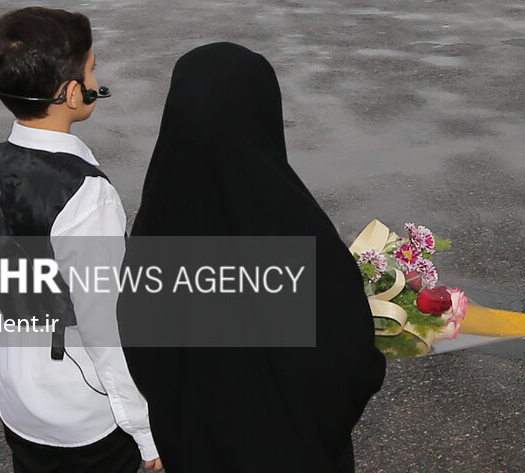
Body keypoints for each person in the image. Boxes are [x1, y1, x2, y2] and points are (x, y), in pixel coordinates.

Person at [118, 43, 386, 472]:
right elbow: (348, 364)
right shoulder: (294, 223)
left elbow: (143, 350)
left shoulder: (158, 225)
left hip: (196, 452)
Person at [0, 7, 161, 471]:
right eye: (92, 69)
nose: (96, 78)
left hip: (20, 403)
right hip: (87, 415)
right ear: (71, 93)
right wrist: (144, 430)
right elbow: (104, 325)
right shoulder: (87, 192)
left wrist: (4, 362)